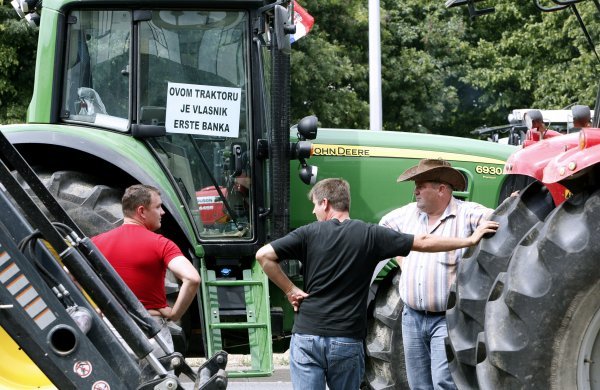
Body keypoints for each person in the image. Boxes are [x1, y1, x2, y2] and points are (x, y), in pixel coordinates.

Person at [255, 178, 499, 390]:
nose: (313, 212)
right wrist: (468, 241)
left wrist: (290, 290)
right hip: (346, 339)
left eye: (314, 206)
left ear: (325, 203)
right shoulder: (370, 235)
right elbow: (424, 241)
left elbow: (263, 256)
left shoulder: (307, 233)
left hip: (307, 336)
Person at [379, 158, 494, 390]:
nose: (416, 190)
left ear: (441, 189)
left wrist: (511, 205)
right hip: (411, 316)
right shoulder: (406, 215)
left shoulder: (466, 213)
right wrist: (403, 261)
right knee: (418, 384)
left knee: (444, 382)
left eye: (421, 185)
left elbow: (499, 219)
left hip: (446, 318)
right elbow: (383, 232)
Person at [92, 184, 201, 372]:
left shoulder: (97, 243)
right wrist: (175, 314)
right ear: (141, 211)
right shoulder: (161, 244)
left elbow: (70, 275)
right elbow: (192, 279)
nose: (163, 212)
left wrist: (94, 307)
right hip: (152, 333)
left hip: (111, 331)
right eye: (158, 207)